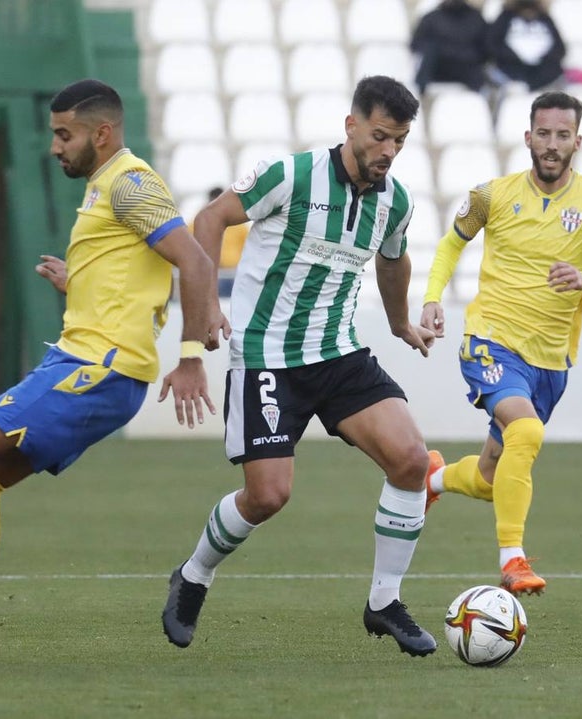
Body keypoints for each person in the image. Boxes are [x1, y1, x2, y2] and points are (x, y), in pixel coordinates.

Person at [0, 79, 224, 669]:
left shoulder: (131, 182)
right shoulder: (105, 187)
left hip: (100, 369)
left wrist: (191, 355)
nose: (54, 147)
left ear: (102, 133)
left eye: (64, 135)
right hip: (82, 361)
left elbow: (193, 259)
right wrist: (81, 283)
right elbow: (143, 274)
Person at [161, 75, 443, 658]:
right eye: (380, 136)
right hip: (267, 356)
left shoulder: (396, 200)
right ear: (351, 125)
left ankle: (384, 601)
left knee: (412, 461)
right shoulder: (289, 175)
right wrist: (209, 301)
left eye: (400, 141)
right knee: (267, 497)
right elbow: (210, 220)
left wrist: (399, 324)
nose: (388, 152)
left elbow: (394, 259)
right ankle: (193, 575)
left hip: (339, 354)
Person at [418, 91, 582, 596]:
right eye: (543, 133)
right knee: (528, 433)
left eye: (563, 135)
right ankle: (512, 558)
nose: (552, 144)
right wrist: (432, 297)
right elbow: (452, 243)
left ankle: (432, 479)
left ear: (578, 140)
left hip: (550, 362)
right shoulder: (491, 195)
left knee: (492, 477)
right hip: (490, 341)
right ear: (527, 137)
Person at [410, 0, 493, 97]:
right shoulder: (431, 18)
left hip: (469, 72)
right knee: (429, 52)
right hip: (437, 71)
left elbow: (486, 51)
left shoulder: (476, 18)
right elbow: (417, 45)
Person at [485, 0, 567, 94]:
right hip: (510, 71)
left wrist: (542, 60)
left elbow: (560, 49)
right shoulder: (505, 17)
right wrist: (514, 58)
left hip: (542, 74)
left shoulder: (545, 19)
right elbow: (493, 45)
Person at [190, 186, 249, 297]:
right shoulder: (197, 223)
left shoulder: (239, 225)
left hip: (232, 275)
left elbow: (248, 249)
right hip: (208, 274)